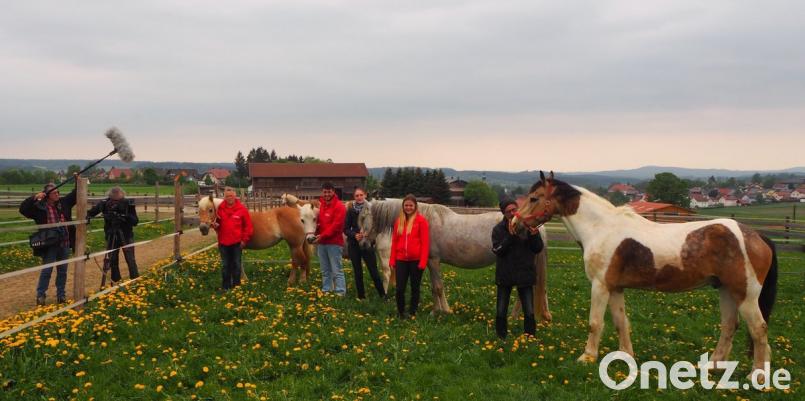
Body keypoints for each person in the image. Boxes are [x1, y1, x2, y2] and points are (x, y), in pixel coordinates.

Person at [491, 198, 544, 339]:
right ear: (504, 213)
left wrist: (534, 236)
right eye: (509, 211)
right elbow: (497, 250)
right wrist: (510, 236)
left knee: (529, 310)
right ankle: (501, 336)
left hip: (524, 274)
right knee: (501, 309)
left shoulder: (527, 227)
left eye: (515, 209)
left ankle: (529, 336)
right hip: (505, 275)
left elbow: (537, 248)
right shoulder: (498, 230)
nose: (513, 213)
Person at [19, 183, 77, 305]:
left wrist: (78, 181)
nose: (57, 194)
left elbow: (75, 194)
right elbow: (23, 209)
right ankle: (41, 296)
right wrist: (34, 197)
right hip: (49, 244)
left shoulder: (63, 203)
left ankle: (61, 296)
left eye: (58, 192)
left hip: (64, 243)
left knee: (62, 271)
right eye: (54, 192)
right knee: (47, 271)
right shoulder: (39, 207)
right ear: (47, 195)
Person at [88, 186, 140, 284]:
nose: (116, 203)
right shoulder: (104, 204)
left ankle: (135, 281)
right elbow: (91, 213)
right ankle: (116, 281)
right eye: (114, 200)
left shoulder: (128, 203)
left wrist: (124, 216)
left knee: (130, 259)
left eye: (118, 201)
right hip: (111, 234)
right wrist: (87, 216)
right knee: (112, 261)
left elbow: (135, 221)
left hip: (126, 235)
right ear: (110, 197)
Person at [389, 194, 430, 318]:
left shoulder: (421, 221)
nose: (408, 207)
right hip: (401, 260)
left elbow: (425, 243)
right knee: (399, 289)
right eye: (406, 205)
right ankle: (401, 312)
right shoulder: (399, 221)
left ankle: (413, 311)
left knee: (415, 288)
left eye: (411, 205)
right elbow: (394, 242)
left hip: (416, 261)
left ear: (415, 206)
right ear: (403, 206)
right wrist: (392, 259)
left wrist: (423, 262)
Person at [343, 187, 385, 300]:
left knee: (373, 270)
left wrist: (369, 234)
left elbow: (377, 227)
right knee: (358, 272)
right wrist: (354, 235)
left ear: (365, 195)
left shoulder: (372, 210)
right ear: (354, 197)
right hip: (354, 244)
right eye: (357, 196)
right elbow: (345, 229)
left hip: (367, 244)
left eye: (361, 195)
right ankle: (361, 296)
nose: (359, 197)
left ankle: (382, 295)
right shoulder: (351, 211)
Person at [212, 187, 253, 290]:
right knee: (225, 266)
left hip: (236, 243)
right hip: (223, 242)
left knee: (236, 265)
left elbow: (248, 227)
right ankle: (226, 287)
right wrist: (215, 225)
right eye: (227, 196)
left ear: (235, 196)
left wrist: (244, 240)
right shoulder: (219, 209)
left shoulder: (242, 209)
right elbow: (217, 223)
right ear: (224, 197)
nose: (229, 198)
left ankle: (236, 287)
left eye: (231, 196)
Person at [313, 182, 347, 295]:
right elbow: (320, 223)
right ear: (322, 192)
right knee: (325, 269)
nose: (327, 194)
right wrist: (316, 231)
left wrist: (321, 236)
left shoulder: (339, 206)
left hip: (334, 243)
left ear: (333, 191)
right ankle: (326, 289)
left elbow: (336, 226)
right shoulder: (322, 205)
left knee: (336, 269)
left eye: (329, 191)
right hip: (322, 243)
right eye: (325, 192)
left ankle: (340, 291)